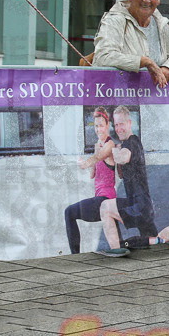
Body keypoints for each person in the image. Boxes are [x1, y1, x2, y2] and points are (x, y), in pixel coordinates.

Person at [97, 106, 169, 256]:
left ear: (129, 123)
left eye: (121, 124)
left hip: (139, 205)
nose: (118, 128)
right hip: (143, 205)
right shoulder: (125, 144)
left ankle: (115, 250)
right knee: (156, 238)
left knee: (105, 207)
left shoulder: (133, 141)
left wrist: (110, 148)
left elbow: (123, 158)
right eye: (116, 125)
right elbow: (121, 174)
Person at [65, 107, 120, 256]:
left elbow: (98, 158)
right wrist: (84, 161)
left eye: (101, 125)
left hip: (106, 200)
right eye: (96, 126)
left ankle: (75, 256)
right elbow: (92, 174)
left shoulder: (110, 144)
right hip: (100, 199)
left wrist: (87, 162)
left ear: (108, 125)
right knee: (117, 242)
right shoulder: (98, 145)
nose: (98, 129)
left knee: (69, 212)